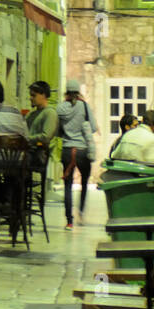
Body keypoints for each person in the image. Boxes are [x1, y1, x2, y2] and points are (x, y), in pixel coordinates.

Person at [56, 79, 97, 228]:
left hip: (67, 150)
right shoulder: (84, 107)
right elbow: (92, 127)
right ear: (78, 92)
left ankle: (69, 221)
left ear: (66, 92)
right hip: (82, 151)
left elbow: (56, 130)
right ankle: (81, 213)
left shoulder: (60, 108)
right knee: (84, 183)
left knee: (67, 185)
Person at [26, 81, 58, 162]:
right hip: (29, 150)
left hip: (39, 152)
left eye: (33, 95)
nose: (30, 98)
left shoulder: (50, 113)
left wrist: (27, 139)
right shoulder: (31, 114)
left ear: (43, 95)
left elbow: (46, 137)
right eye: (30, 95)